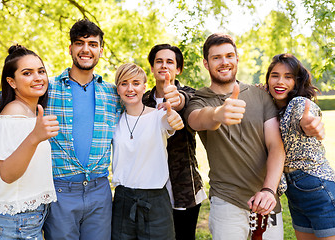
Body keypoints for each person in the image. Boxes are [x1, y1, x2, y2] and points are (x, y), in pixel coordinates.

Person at [0, 19, 121, 239]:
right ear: (70, 48)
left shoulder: (113, 93)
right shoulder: (43, 87)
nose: (86, 49)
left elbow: (144, 106)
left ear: (101, 50)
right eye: (79, 43)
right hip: (61, 191)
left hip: (99, 190)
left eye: (92, 44)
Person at [184, 33, 286, 240]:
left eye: (229, 55)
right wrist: (218, 113)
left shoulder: (261, 95)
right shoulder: (199, 99)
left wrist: (268, 190)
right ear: (206, 63)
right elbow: (197, 119)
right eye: (216, 57)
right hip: (226, 201)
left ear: (237, 59)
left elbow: (275, 145)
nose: (224, 62)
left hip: (265, 199)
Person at [0, 45, 59, 239]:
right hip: (16, 222)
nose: (38, 77)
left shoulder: (30, 112)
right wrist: (35, 137)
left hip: (30, 218)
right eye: (27, 73)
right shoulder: (13, 113)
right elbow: (7, 174)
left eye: (41, 71)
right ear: (12, 82)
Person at [265, 53, 335, 240]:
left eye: (288, 77)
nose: (280, 81)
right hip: (295, 195)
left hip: (318, 186)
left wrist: (312, 125)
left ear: (297, 82)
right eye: (275, 75)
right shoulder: (272, 106)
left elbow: (309, 116)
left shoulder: (299, 104)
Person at [111, 63, 184, 239]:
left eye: (136, 83)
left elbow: (172, 121)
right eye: (124, 83)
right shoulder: (114, 122)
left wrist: (174, 117)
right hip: (123, 200)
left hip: (155, 201)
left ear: (144, 87)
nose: (130, 88)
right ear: (118, 88)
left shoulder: (159, 116)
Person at [143, 44, 206, 240]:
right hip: (151, 187)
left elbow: (183, 100)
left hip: (184, 188)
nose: (164, 66)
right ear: (152, 68)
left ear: (178, 69)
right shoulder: (143, 101)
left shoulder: (191, 95)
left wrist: (176, 99)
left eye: (170, 62)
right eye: (159, 61)